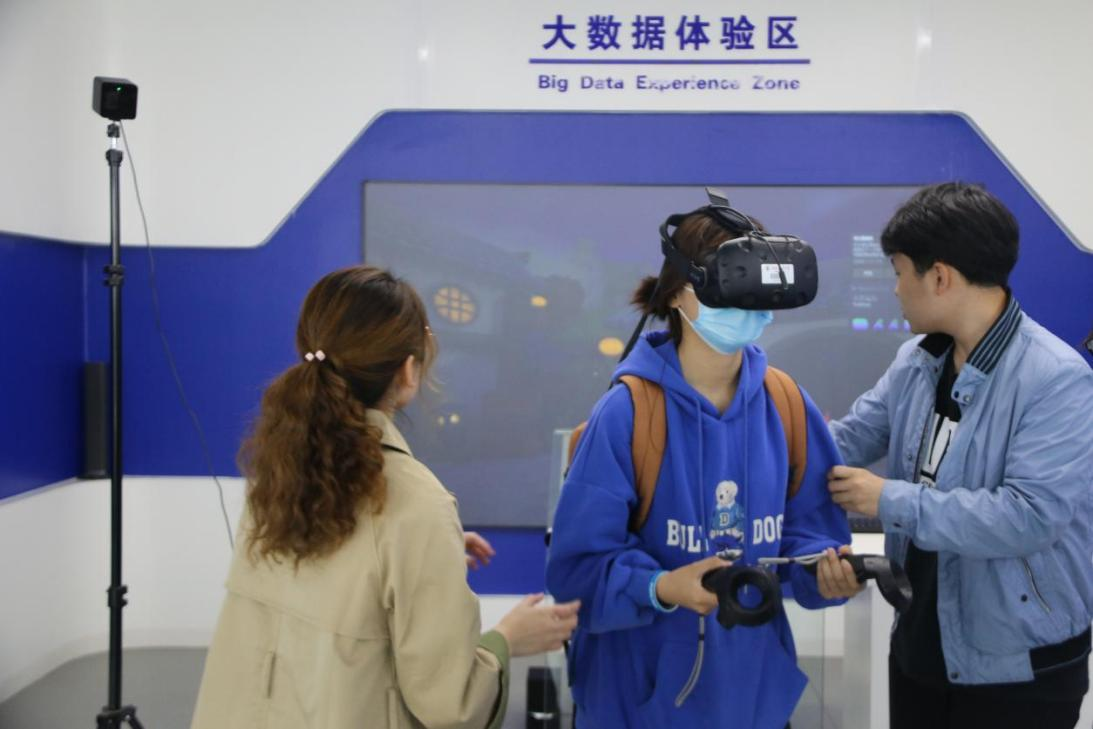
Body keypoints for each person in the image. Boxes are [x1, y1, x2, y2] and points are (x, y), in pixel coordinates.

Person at [191, 265, 579, 729]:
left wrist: (424, 552)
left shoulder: (277, 471)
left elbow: (323, 585)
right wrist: (506, 639)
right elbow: (450, 705)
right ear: (409, 371)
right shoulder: (418, 505)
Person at [545, 206, 859, 729]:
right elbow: (575, 572)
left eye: (753, 287)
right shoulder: (627, 414)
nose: (743, 306)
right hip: (639, 704)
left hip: (751, 700)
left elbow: (809, 535)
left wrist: (825, 574)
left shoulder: (786, 404)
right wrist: (660, 587)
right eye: (726, 285)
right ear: (676, 294)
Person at [827, 182, 1093, 729]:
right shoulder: (916, 360)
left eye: (900, 271)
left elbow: (1029, 517)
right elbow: (847, 439)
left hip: (1020, 672)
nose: (896, 289)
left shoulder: (1057, 379)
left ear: (940, 277)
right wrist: (754, 433)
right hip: (922, 644)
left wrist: (888, 499)